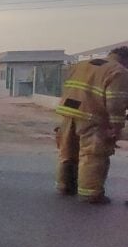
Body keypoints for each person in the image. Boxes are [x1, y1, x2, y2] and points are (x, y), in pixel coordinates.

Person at [55, 46, 128, 204]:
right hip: (93, 116)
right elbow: (116, 101)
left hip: (69, 112)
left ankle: (65, 186)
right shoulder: (118, 71)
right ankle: (91, 194)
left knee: (68, 151)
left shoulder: (82, 65)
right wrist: (116, 126)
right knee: (93, 155)